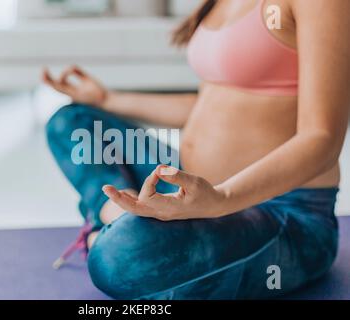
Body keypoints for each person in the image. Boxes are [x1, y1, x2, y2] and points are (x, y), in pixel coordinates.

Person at [44, 0, 350, 299]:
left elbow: (321, 138)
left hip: (281, 212)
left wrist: (221, 200)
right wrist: (107, 99)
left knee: (116, 258)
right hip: (192, 189)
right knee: (72, 122)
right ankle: (116, 214)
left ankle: (114, 229)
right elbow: (207, 106)